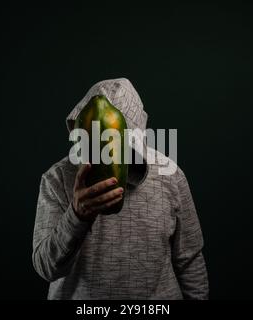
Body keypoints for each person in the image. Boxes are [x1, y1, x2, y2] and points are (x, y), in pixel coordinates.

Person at [32, 78, 209, 299]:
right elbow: (46, 268)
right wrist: (76, 216)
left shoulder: (170, 176)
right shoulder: (56, 179)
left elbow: (190, 261)